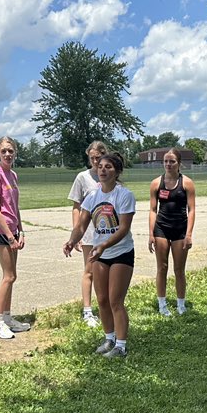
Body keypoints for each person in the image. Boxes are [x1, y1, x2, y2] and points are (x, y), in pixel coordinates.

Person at [63, 152, 136, 358]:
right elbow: (81, 225)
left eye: (108, 167)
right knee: (102, 299)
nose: (102, 170)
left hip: (121, 252)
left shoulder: (124, 195)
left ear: (117, 171)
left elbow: (123, 228)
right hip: (99, 253)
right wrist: (72, 240)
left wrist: (104, 245)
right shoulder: (92, 197)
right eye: (100, 166)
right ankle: (109, 338)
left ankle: (121, 346)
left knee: (115, 300)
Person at [0, 136, 30, 340]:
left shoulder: (12, 175)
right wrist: (10, 238)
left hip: (13, 230)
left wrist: (21, 231)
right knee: (8, 276)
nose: (7, 154)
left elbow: (14, 207)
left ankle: (7, 317)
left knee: (13, 276)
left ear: (15, 152)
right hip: (0, 231)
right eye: (3, 151)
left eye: (10, 150)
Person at [148, 148, 197, 316]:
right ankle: (162, 304)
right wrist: (151, 234)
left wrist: (188, 234)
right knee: (162, 267)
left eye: (172, 161)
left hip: (180, 229)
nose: (168, 164)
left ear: (179, 163)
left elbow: (191, 210)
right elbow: (152, 210)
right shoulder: (156, 183)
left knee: (179, 269)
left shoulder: (187, 183)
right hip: (161, 228)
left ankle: (181, 304)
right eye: (166, 161)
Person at [68, 141, 109, 327]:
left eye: (98, 157)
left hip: (108, 232)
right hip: (90, 232)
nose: (95, 161)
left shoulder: (109, 175)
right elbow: (76, 207)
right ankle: (87, 310)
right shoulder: (83, 177)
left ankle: (105, 306)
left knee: (106, 271)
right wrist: (76, 234)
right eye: (92, 158)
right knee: (90, 270)